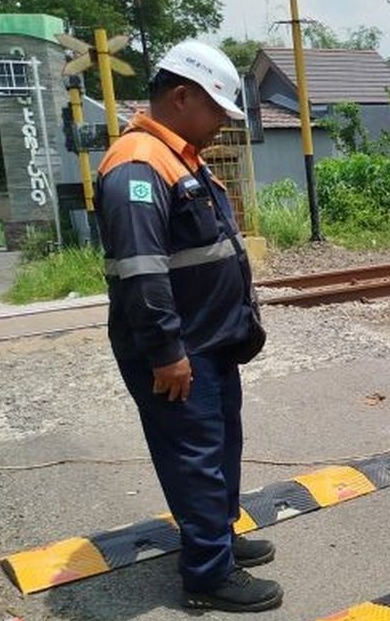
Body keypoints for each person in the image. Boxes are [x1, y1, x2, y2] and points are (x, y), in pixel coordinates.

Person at [96, 40, 280, 612]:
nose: (222, 125)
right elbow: (140, 272)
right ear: (181, 96)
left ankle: (217, 537)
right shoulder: (136, 166)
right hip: (179, 349)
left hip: (211, 343)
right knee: (195, 456)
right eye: (218, 111)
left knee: (221, 444)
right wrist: (165, 350)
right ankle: (206, 574)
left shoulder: (180, 157)